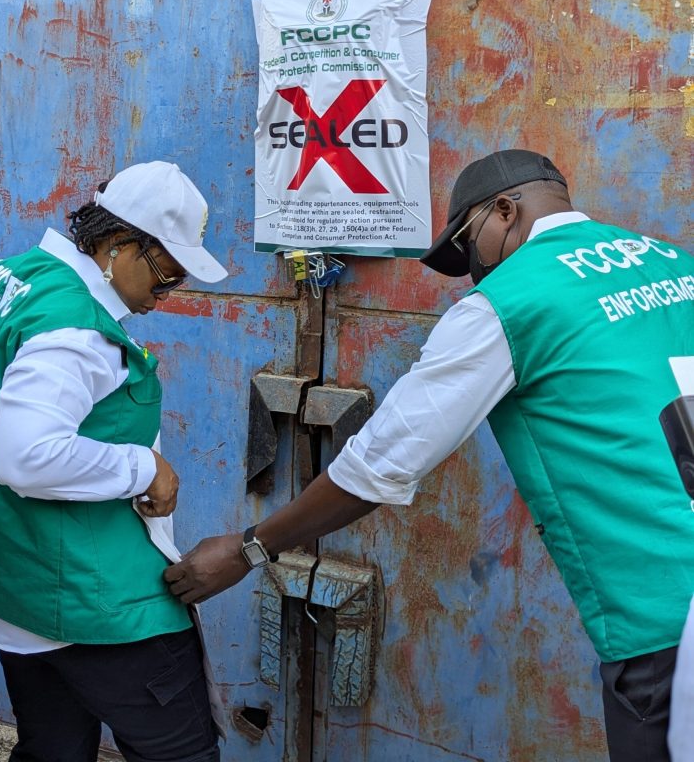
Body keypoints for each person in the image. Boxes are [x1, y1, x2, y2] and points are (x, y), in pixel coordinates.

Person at [165, 148, 694, 762]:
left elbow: (380, 464)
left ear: (504, 210)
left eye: (470, 250)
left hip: (663, 621)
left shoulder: (510, 303)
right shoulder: (675, 265)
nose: (474, 274)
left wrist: (249, 547)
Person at [0, 160, 227, 762]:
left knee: (54, 747)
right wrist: (146, 469)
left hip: (11, 579)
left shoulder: (7, 275)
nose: (172, 290)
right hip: (84, 595)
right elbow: (27, 458)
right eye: (168, 269)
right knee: (182, 752)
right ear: (118, 246)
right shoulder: (77, 332)